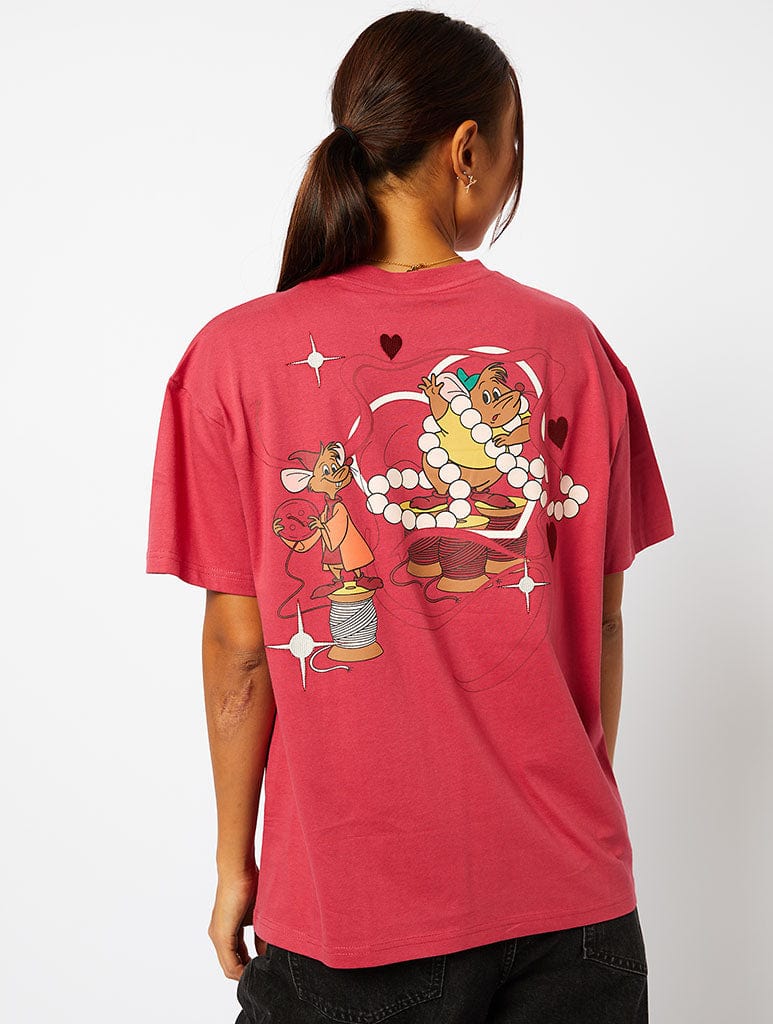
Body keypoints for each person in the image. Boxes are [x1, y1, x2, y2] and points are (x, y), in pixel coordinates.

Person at [145, 9, 674, 1023]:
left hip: (352, 904)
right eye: (511, 148)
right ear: (467, 150)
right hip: (570, 893)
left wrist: (234, 862)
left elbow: (239, 649)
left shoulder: (231, 360)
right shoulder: (571, 348)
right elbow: (600, 619)